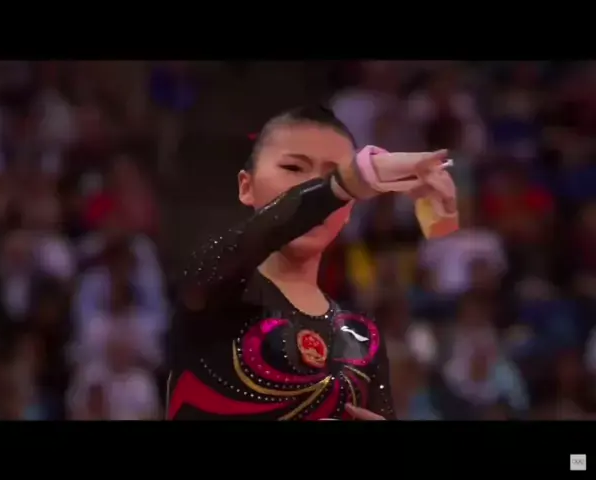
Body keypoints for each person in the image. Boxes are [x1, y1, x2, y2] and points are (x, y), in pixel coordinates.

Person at [166, 105, 457, 420]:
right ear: (246, 187)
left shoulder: (361, 337)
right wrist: (342, 184)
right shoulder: (211, 287)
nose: (313, 187)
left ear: (349, 210)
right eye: (294, 167)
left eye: (331, 176)